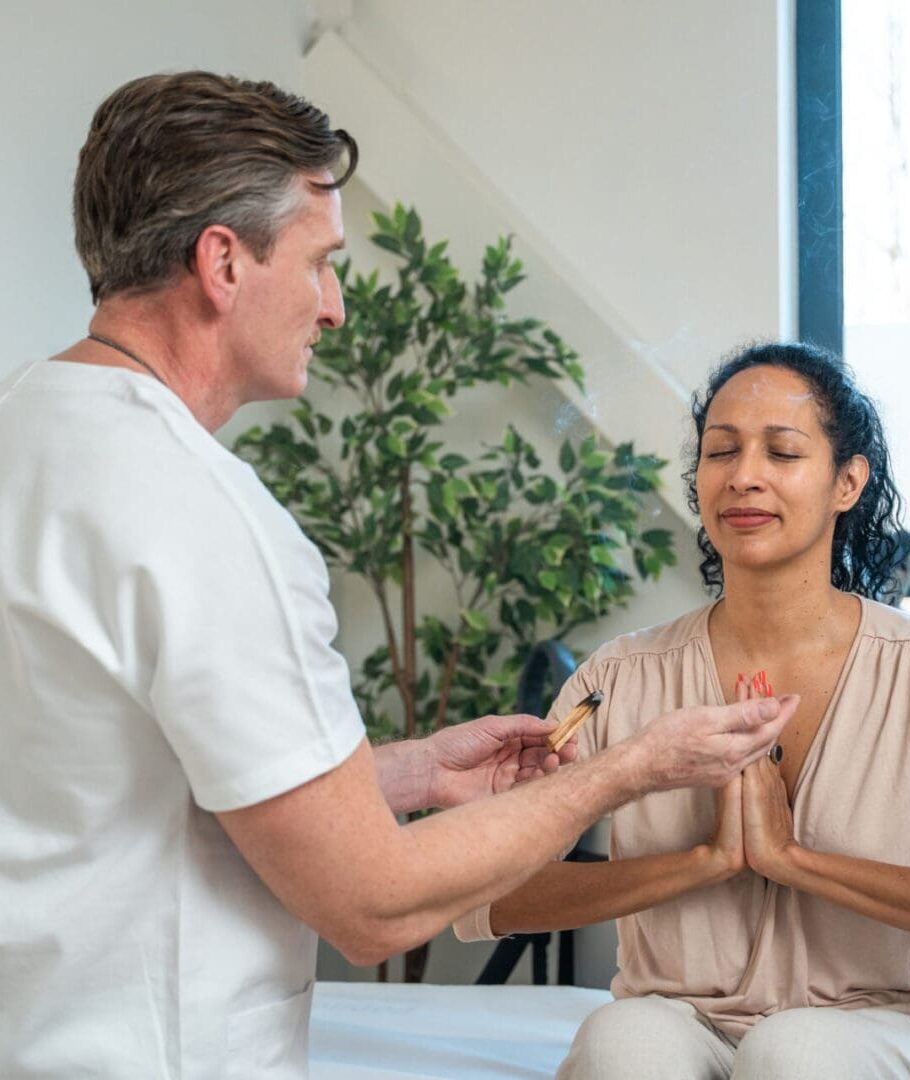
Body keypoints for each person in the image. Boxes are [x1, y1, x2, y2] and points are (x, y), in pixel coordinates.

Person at [0, 74, 796, 1079]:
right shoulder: (205, 515)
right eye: (321, 262)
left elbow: (116, 779)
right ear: (221, 262)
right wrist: (630, 770)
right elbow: (371, 904)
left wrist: (413, 772)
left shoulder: (27, 429)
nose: (333, 307)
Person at [456, 342, 910, 1079]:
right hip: (681, 1024)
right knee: (624, 1039)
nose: (744, 477)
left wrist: (796, 862)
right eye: (721, 452)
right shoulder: (617, 679)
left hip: (883, 1030)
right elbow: (485, 899)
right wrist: (702, 862)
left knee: (798, 1051)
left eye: (781, 453)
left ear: (847, 481)